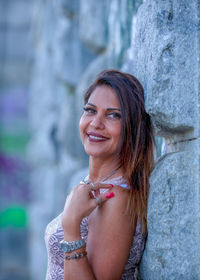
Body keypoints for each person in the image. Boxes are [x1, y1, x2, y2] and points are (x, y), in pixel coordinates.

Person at [45, 69, 155, 280]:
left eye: (113, 115)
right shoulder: (96, 185)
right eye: (90, 110)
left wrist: (71, 228)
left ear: (132, 128)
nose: (96, 123)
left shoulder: (116, 200)